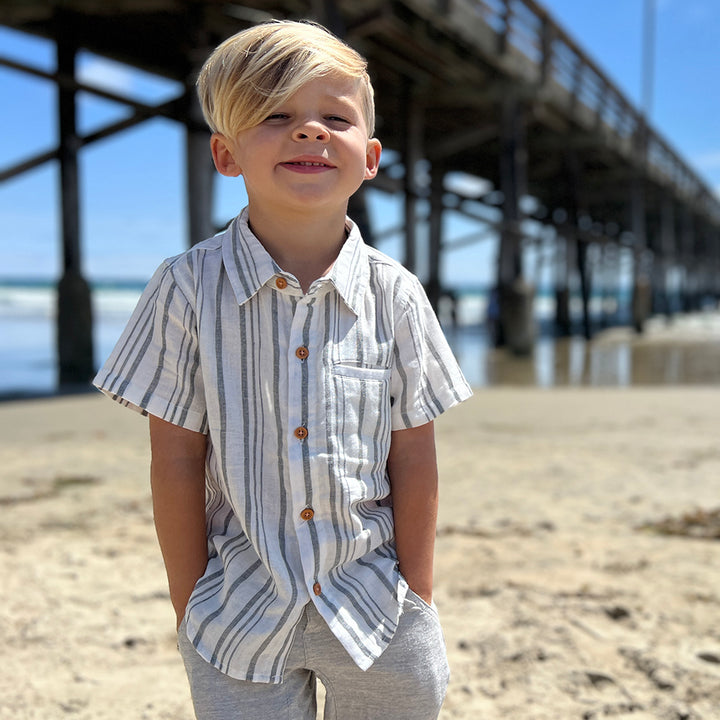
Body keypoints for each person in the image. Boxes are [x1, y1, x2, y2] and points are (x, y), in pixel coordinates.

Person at [94, 19, 472, 720]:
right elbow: (175, 460)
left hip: (376, 607)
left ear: (372, 157)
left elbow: (413, 453)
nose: (309, 132)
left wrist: (417, 596)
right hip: (236, 607)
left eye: (335, 117)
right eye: (276, 116)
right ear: (226, 154)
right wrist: (189, 603)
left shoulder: (396, 295)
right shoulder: (184, 288)